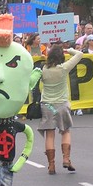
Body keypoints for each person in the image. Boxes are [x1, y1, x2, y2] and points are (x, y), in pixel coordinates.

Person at [37, 46, 83, 174]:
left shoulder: (44, 69)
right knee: (65, 131)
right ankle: (66, 159)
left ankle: (51, 165)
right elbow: (79, 54)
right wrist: (69, 49)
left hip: (47, 105)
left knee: (49, 134)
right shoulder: (63, 68)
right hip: (61, 104)